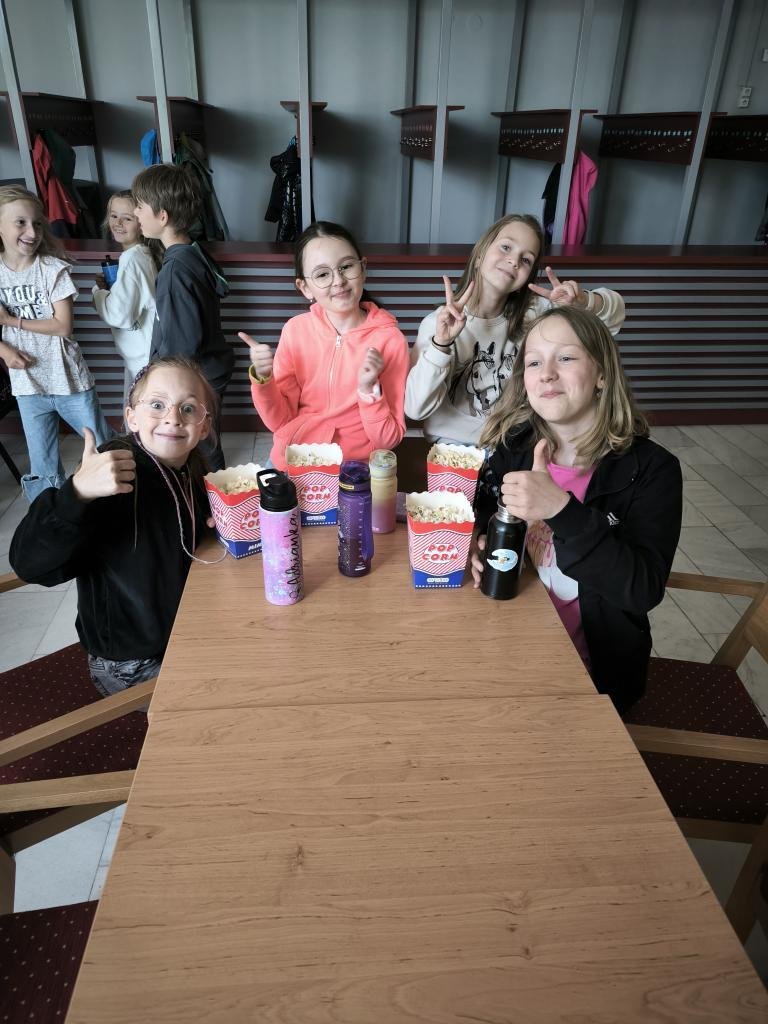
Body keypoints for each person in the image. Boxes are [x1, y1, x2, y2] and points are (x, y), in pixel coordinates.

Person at [471, 305, 682, 714]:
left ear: (602, 373)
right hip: (503, 639)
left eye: (565, 357)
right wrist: (477, 541)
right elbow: (482, 506)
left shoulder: (653, 471)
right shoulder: (515, 445)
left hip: (588, 674)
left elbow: (641, 589)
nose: (547, 373)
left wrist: (561, 509)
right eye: (534, 362)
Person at [10, 356, 219, 697]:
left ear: (204, 426)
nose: (172, 417)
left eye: (188, 408)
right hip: (131, 662)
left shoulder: (192, 469)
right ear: (131, 417)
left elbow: (180, 536)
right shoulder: (112, 476)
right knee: (237, 694)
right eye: (157, 405)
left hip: (183, 629)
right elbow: (29, 565)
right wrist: (76, 493)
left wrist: (220, 524)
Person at [404, 213, 625, 446]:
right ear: (479, 256)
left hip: (515, 444)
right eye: (506, 247)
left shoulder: (537, 313)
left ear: (527, 278)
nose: (514, 260)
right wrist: (441, 344)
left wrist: (582, 303)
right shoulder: (439, 325)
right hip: (452, 447)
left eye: (526, 259)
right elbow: (416, 409)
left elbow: (615, 318)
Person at [238, 221, 409, 470]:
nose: (338, 280)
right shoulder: (295, 331)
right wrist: (264, 380)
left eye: (346, 266)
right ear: (304, 287)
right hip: (295, 458)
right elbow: (280, 421)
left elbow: (388, 440)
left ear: (363, 268)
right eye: (322, 274)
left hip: (353, 471)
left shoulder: (390, 340)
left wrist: (369, 390)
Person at [0, 185, 111, 502]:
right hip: (27, 385)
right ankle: (49, 520)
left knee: (103, 448)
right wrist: (3, 350)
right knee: (43, 467)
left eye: (37, 223)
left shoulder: (52, 269)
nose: (31, 232)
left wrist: (11, 321)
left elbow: (63, 326)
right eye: (20, 222)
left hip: (69, 381)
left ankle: (124, 507)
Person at [132, 164, 234, 470]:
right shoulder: (193, 251)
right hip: (210, 368)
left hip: (195, 376)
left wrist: (162, 384)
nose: (136, 213)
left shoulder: (175, 270)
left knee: (202, 446)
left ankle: (213, 495)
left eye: (139, 206)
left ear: (162, 217)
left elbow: (181, 344)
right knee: (206, 439)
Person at [92, 189, 161, 404]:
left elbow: (119, 315)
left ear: (141, 222)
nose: (118, 223)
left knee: (140, 411)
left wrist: (98, 294)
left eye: (127, 218)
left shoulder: (132, 259)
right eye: (114, 216)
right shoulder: (141, 255)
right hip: (145, 353)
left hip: (142, 357)